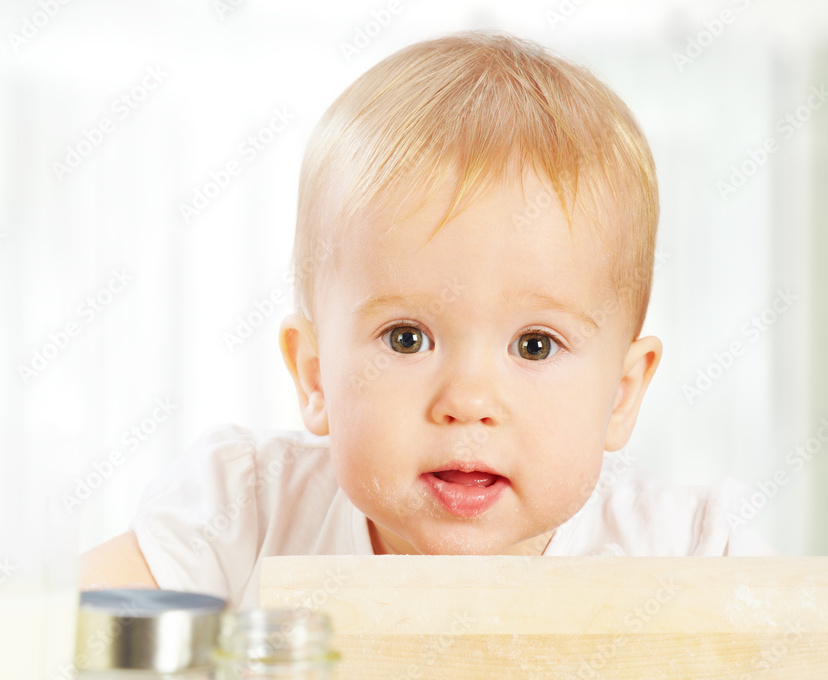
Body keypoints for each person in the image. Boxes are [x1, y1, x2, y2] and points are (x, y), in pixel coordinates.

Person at [80, 29, 775, 608]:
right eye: (407, 338)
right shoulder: (248, 515)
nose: (468, 401)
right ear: (316, 374)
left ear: (621, 394)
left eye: (535, 345)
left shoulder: (692, 552)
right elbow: (56, 637)